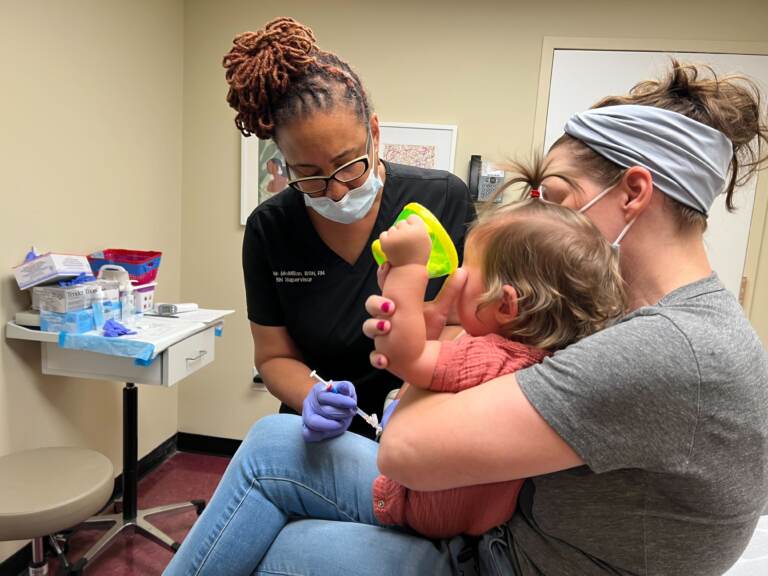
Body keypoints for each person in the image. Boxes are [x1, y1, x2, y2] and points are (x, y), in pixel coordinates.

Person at [165, 62, 768, 576]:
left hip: (504, 551)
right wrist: (434, 335)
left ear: (634, 193)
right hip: (506, 509)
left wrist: (432, 327)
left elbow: (404, 446)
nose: (545, 228)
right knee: (274, 438)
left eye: (555, 199)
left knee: (288, 550)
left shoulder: (665, 349)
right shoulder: (633, 317)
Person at [231, 17, 475, 439]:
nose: (338, 192)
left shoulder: (442, 199)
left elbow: (464, 324)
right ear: (284, 164)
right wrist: (311, 397)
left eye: (349, 165)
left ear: (375, 135)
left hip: (423, 416)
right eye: (309, 175)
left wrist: (416, 385)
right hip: (322, 432)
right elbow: (273, 357)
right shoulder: (270, 229)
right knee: (266, 451)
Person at [369, 199, 625, 539]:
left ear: (505, 304)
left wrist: (409, 269)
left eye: (467, 270)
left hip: (423, 514)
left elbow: (403, 357)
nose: (457, 276)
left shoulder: (489, 354)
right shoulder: (543, 360)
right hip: (480, 522)